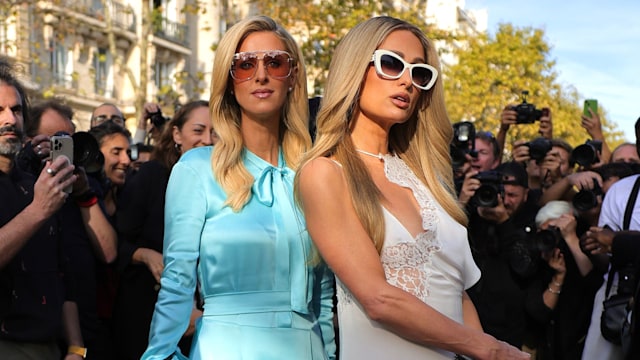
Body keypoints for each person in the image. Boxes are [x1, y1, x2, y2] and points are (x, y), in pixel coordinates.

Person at [295, 16, 528, 359]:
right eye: (391, 64)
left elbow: (458, 293)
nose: (407, 81)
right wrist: (490, 348)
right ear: (355, 68)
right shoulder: (324, 172)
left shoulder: (427, 177)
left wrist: (483, 354)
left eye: (419, 73)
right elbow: (378, 299)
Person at [142, 16, 335, 360]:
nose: (260, 75)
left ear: (292, 77)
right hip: (225, 347)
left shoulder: (315, 171)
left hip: (307, 349)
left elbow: (323, 294)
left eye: (275, 63)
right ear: (229, 82)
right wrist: (158, 354)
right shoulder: (197, 168)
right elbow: (177, 280)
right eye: (244, 65)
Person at [114, 100, 213, 359]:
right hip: (147, 312)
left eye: (215, 132)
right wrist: (144, 254)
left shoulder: (226, 184)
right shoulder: (151, 176)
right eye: (199, 130)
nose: (207, 140)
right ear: (177, 134)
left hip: (209, 323)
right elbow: (117, 242)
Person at [0, 61, 85, 359]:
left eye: (16, 109)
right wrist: (37, 211)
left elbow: (61, 274)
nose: (10, 119)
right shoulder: (40, 197)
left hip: (51, 346)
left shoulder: (37, 183)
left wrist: (76, 348)